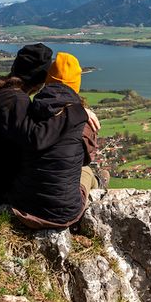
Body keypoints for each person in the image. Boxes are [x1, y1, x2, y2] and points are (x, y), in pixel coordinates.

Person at [0, 43, 79, 199]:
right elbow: (38, 140)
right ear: (42, 79)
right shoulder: (15, 100)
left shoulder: (3, 93)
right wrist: (77, 113)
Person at [8, 52, 102, 229]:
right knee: (87, 172)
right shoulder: (83, 120)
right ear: (76, 84)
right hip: (64, 214)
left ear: (48, 81)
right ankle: (99, 184)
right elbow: (84, 158)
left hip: (23, 208)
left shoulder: (25, 111)